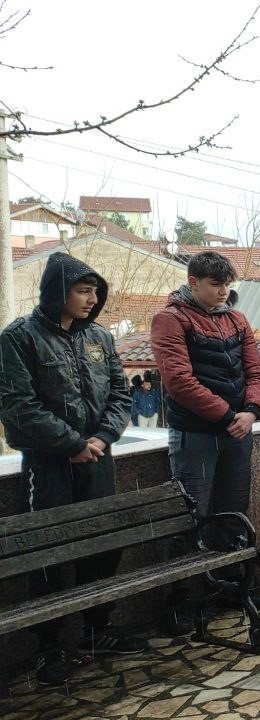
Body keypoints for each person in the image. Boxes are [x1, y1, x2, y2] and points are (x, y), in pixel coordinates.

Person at [0, 252, 145, 685]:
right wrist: (71, 444)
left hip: (97, 460)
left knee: (103, 545)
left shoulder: (98, 336)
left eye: (95, 291)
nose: (92, 298)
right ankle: (48, 649)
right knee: (47, 554)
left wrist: (101, 439)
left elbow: (121, 394)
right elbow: (18, 406)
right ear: (56, 292)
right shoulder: (19, 338)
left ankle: (97, 631)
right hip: (47, 465)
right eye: (83, 290)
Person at [151, 250, 260, 623]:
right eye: (215, 284)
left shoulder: (237, 319)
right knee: (189, 516)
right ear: (193, 283)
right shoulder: (170, 320)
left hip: (237, 432)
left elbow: (256, 370)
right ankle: (179, 602)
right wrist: (227, 415)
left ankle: (232, 589)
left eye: (227, 284)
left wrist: (251, 411)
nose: (223, 291)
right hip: (195, 434)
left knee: (233, 514)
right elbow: (179, 382)